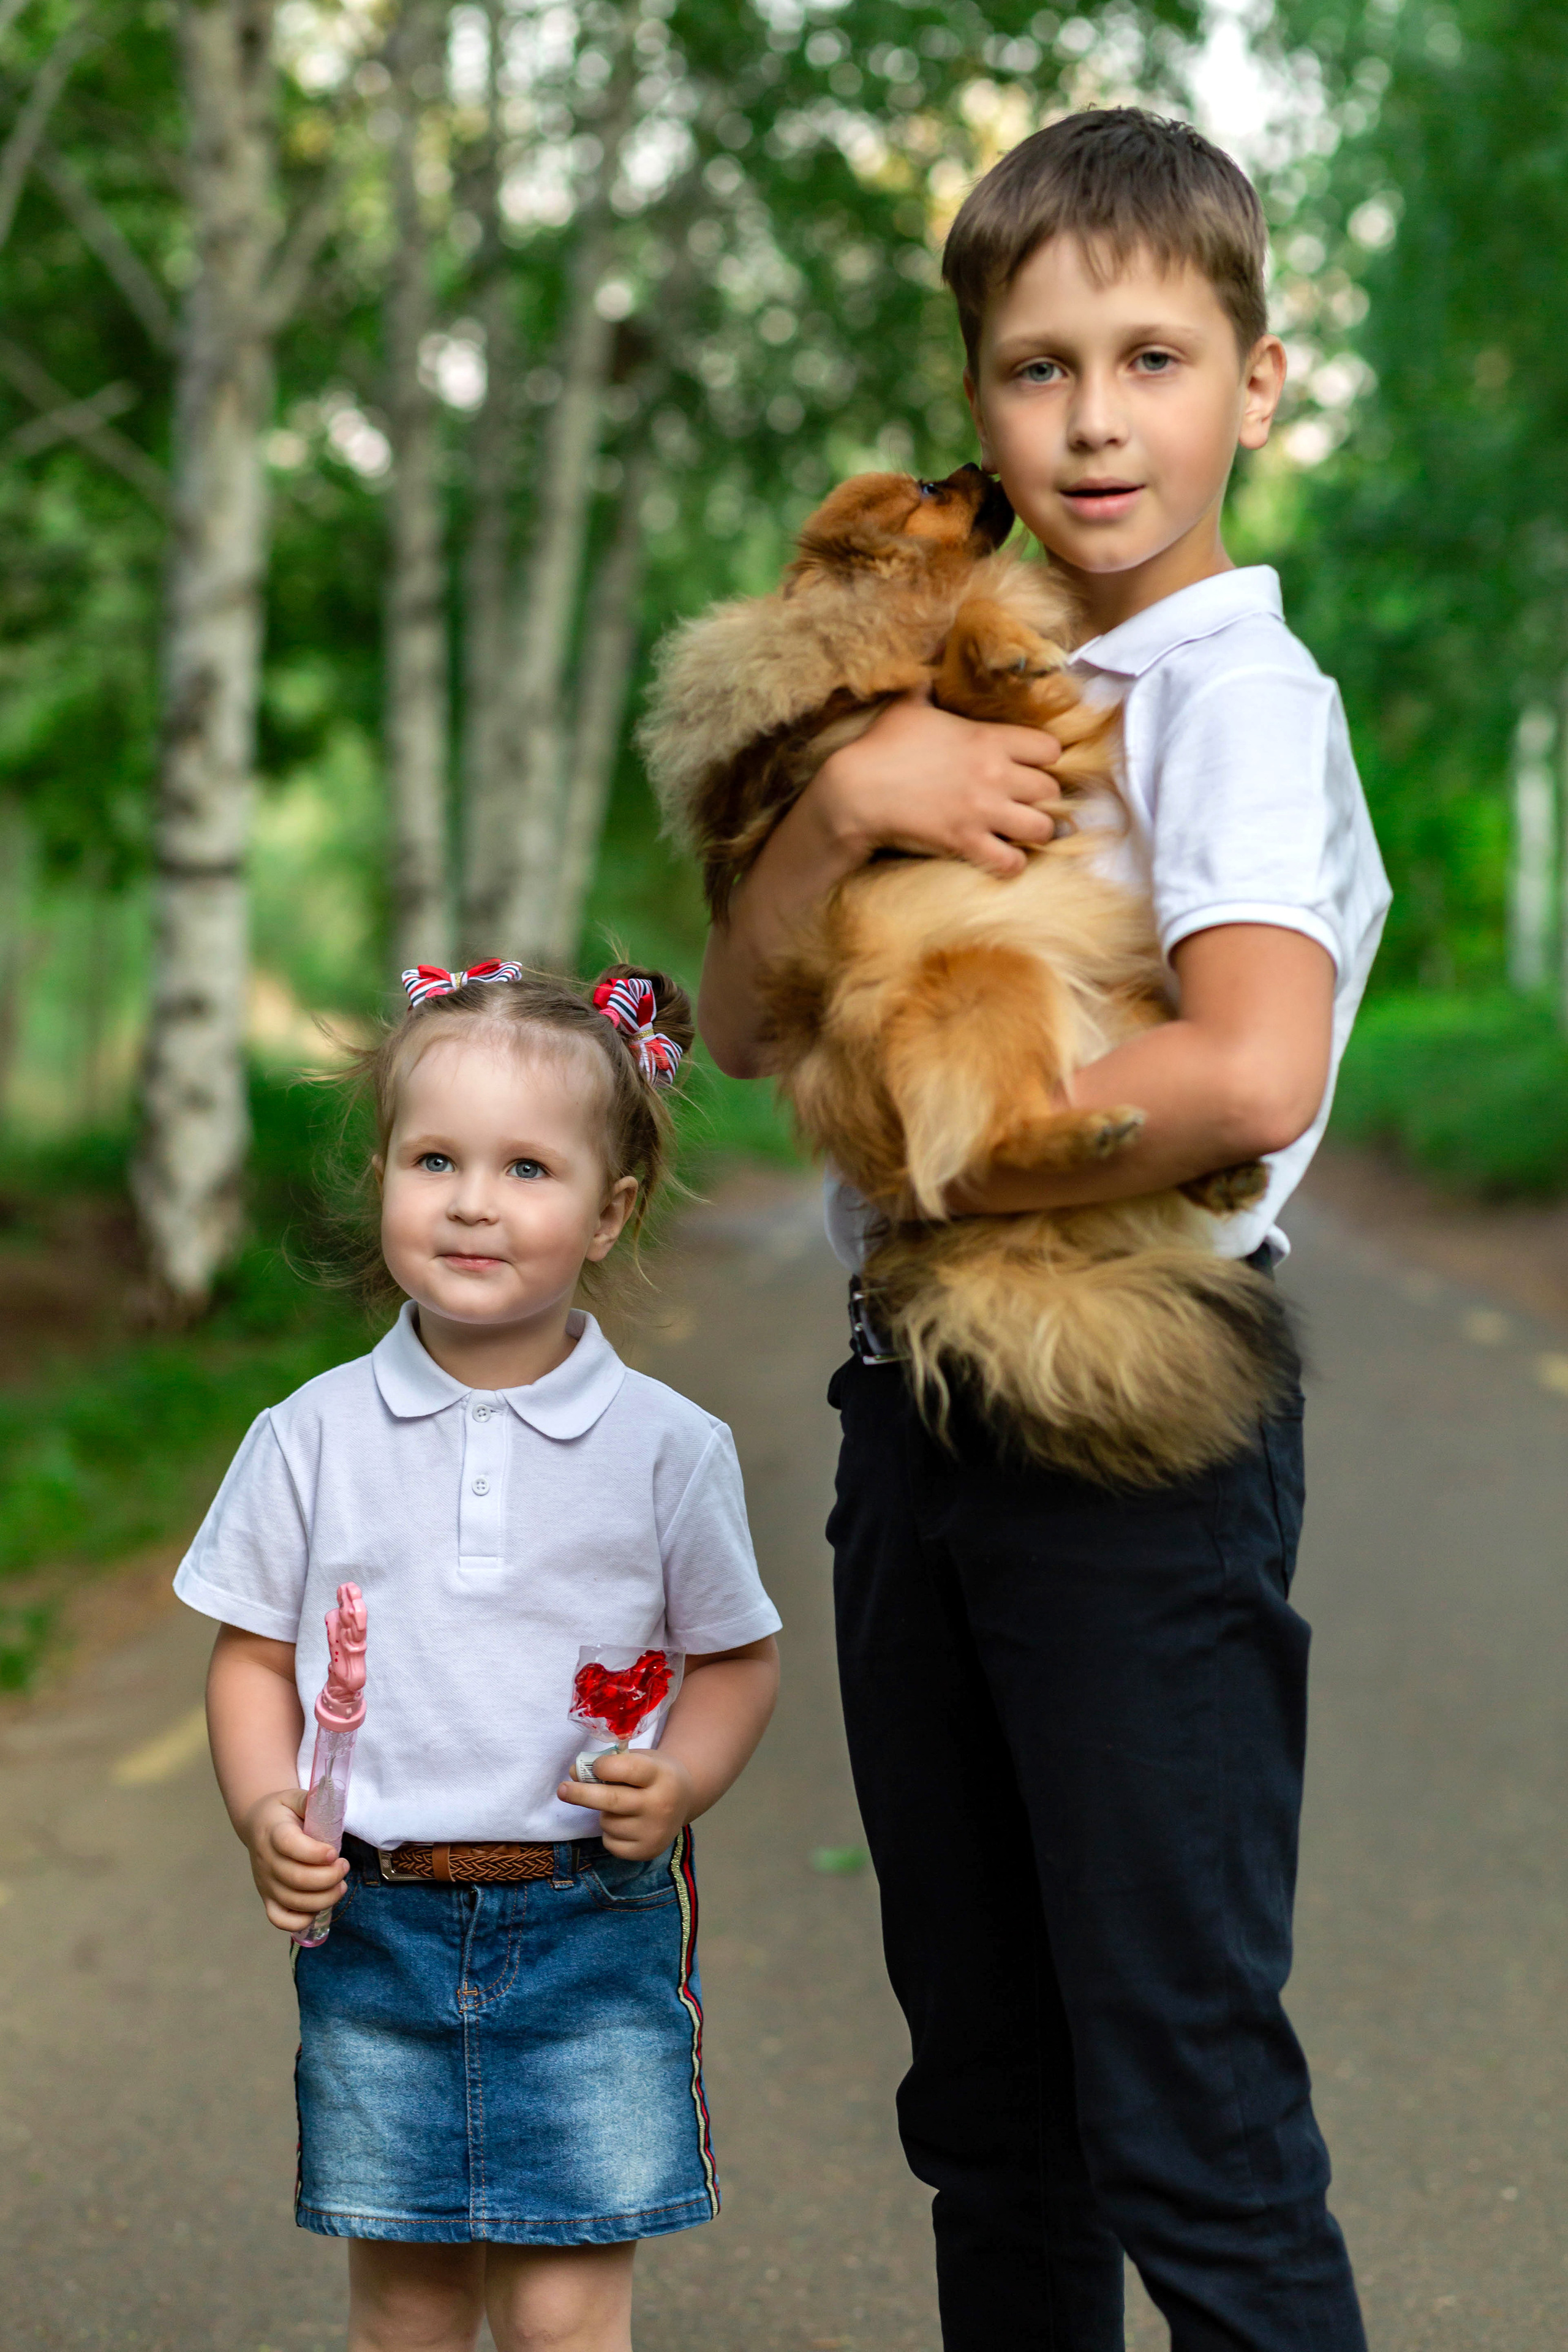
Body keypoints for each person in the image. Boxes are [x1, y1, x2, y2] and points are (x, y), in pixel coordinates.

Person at [698, 108, 1388, 2352]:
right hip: (916, 1421)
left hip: (1135, 1441)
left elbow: (1247, 1072)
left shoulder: (1238, 699)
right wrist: (839, 798)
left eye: (1157, 357)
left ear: (1256, 384)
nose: (1098, 417)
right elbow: (734, 1017)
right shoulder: (944, 689)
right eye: (1037, 366)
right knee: (989, 2114)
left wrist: (943, 1161)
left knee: (1182, 2107)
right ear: (976, 400)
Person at [175, 959, 781, 2352]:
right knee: (405, 2305)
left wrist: (681, 1778)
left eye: (525, 1167)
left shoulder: (668, 1451)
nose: (470, 1201)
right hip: (375, 1926)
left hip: (588, 1928)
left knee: (568, 2309)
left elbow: (735, 1660)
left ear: (607, 1209)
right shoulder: (309, 1435)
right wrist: (265, 1807)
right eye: (433, 1158)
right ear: (382, 1170)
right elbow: (253, 1656)